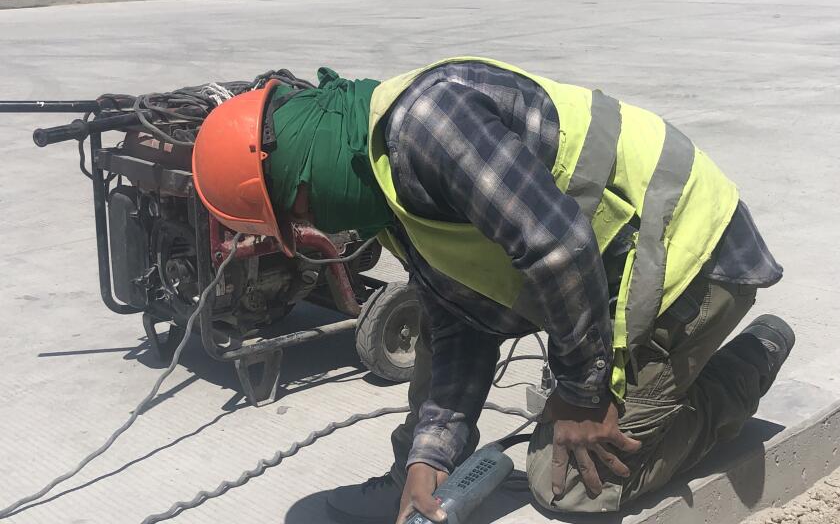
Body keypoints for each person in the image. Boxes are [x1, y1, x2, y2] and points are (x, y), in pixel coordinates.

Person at [191, 57, 793, 523]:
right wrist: (432, 454)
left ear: (300, 164)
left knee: (577, 486)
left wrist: (583, 397)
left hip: (689, 257)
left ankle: (746, 363)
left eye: (294, 213)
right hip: (607, 268)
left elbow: (559, 249)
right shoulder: (378, 184)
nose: (307, 227)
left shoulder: (427, 125)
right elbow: (461, 321)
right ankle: (412, 473)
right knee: (436, 324)